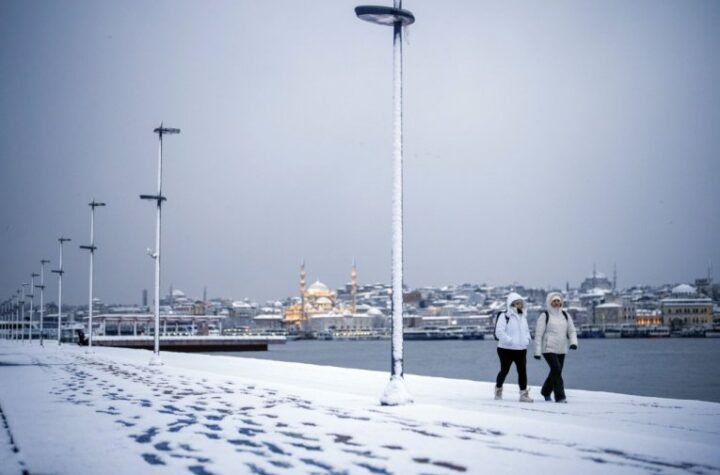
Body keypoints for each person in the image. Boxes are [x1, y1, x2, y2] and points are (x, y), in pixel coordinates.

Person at [534, 292, 578, 403]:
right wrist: (537, 352)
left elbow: (571, 330)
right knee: (556, 370)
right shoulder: (545, 315)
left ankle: (545, 391)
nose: (557, 303)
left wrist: (573, 342)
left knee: (556, 371)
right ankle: (560, 397)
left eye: (558, 301)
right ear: (550, 302)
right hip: (548, 348)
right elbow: (538, 334)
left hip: (562, 348)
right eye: (554, 301)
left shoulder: (565, 315)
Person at [494, 292, 533, 402]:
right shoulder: (504, 316)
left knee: (522, 371)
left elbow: (526, 331)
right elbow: (499, 332)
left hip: (521, 349)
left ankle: (523, 394)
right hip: (505, 349)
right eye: (516, 303)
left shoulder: (523, 316)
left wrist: (527, 340)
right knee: (504, 371)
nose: (519, 305)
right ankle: (498, 389)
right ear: (510, 304)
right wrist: (510, 341)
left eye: (520, 303)